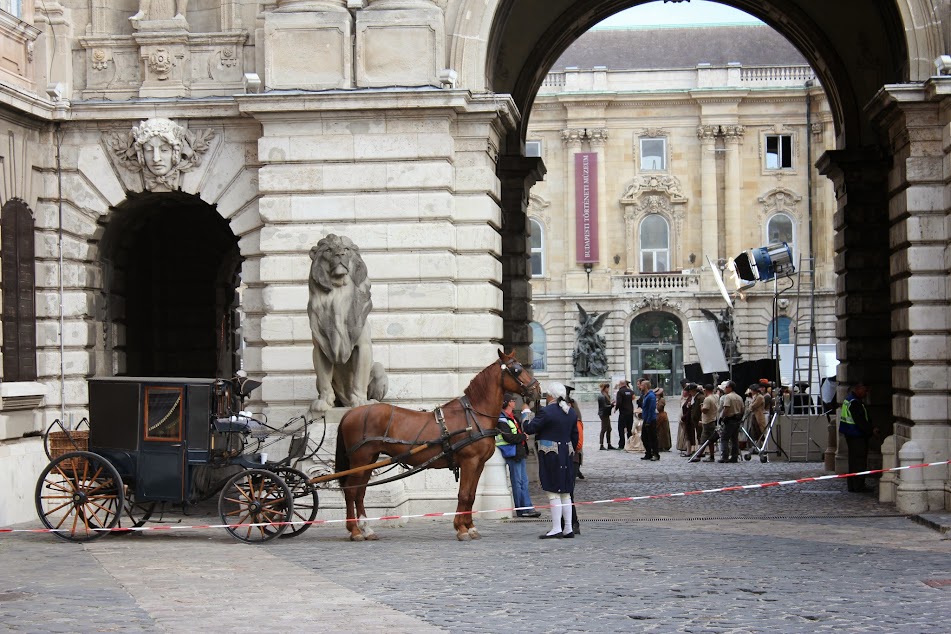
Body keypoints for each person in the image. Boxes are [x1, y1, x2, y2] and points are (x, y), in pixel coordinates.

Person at [522, 382, 579, 539]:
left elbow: (529, 428)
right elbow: (575, 436)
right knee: (566, 493)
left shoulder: (547, 412)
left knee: (553, 492)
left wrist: (526, 413)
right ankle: (567, 528)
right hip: (566, 453)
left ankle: (556, 528)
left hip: (550, 454)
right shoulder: (571, 412)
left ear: (550, 396)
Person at [496, 394, 540, 518]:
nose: (515, 402)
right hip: (512, 452)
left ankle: (527, 506)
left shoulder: (513, 417)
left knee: (523, 481)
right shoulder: (502, 419)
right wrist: (523, 437)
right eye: (512, 400)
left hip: (518, 451)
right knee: (518, 482)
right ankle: (522, 509)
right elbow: (508, 437)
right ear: (508, 403)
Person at [839, 382, 876, 492]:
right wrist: (871, 431)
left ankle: (853, 485)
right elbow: (860, 421)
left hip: (851, 434)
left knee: (853, 461)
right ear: (858, 389)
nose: (866, 393)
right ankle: (858, 485)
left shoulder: (849, 400)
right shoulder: (855, 403)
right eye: (865, 391)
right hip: (856, 435)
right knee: (859, 462)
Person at [691, 383, 718, 462]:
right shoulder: (715, 397)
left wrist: (701, 406)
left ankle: (698, 456)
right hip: (713, 419)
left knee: (703, 440)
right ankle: (711, 456)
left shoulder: (707, 399)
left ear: (706, 390)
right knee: (711, 440)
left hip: (707, 421)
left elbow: (705, 410)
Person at [718, 381, 745, 463]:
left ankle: (725, 456)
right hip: (737, 420)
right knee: (734, 439)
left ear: (730, 387)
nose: (725, 389)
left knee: (724, 438)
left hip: (729, 419)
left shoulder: (728, 397)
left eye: (726, 387)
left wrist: (722, 418)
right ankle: (734, 456)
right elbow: (742, 409)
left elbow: (726, 408)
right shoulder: (739, 397)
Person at [639, 379, 659, 461]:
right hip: (645, 419)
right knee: (644, 437)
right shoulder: (645, 395)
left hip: (650, 420)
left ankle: (655, 454)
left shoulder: (651, 396)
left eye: (642, 385)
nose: (640, 387)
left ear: (646, 386)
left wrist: (648, 420)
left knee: (652, 438)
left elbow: (651, 409)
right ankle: (648, 453)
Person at [614, 380, 635, 449]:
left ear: (620, 384)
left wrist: (615, 408)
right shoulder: (630, 391)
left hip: (623, 413)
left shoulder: (620, 392)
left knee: (621, 428)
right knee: (629, 429)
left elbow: (619, 402)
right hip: (630, 412)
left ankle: (621, 444)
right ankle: (630, 443)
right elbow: (633, 398)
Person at [677, 383, 696, 456]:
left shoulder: (691, 399)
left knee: (690, 435)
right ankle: (688, 450)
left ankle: (690, 451)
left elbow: (689, 411)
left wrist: (683, 418)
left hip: (688, 419)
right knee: (688, 435)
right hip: (686, 419)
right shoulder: (688, 399)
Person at [597, 382, 615, 449]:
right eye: (608, 388)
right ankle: (601, 445)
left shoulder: (606, 395)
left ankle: (609, 444)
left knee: (609, 429)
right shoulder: (602, 396)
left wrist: (611, 404)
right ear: (605, 388)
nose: (608, 389)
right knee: (604, 429)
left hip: (606, 414)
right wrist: (611, 405)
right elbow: (604, 406)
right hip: (603, 414)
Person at [654, 387, 672, 451]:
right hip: (657, 416)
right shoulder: (656, 399)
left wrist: (656, 404)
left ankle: (665, 445)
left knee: (663, 431)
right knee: (658, 431)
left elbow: (660, 408)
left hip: (662, 416)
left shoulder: (662, 400)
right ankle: (659, 445)